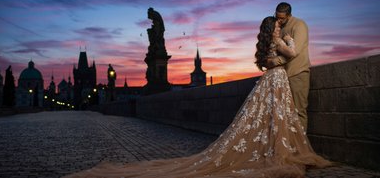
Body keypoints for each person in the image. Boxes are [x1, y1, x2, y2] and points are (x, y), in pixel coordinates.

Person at [64, 17, 331, 178]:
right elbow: (293, 53)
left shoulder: (263, 46)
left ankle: (272, 148)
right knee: (278, 117)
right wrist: (287, 38)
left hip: (269, 80)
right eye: (277, 25)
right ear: (273, 28)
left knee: (266, 118)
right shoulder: (280, 40)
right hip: (280, 80)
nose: (279, 27)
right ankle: (280, 150)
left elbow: (267, 60)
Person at [268, 2, 310, 131]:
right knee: (284, 113)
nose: (279, 20)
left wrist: (275, 61)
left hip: (297, 73)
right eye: (277, 17)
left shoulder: (299, 25)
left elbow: (294, 51)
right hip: (282, 76)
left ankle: (301, 147)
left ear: (289, 15)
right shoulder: (278, 27)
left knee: (299, 111)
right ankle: (290, 146)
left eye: (282, 18)